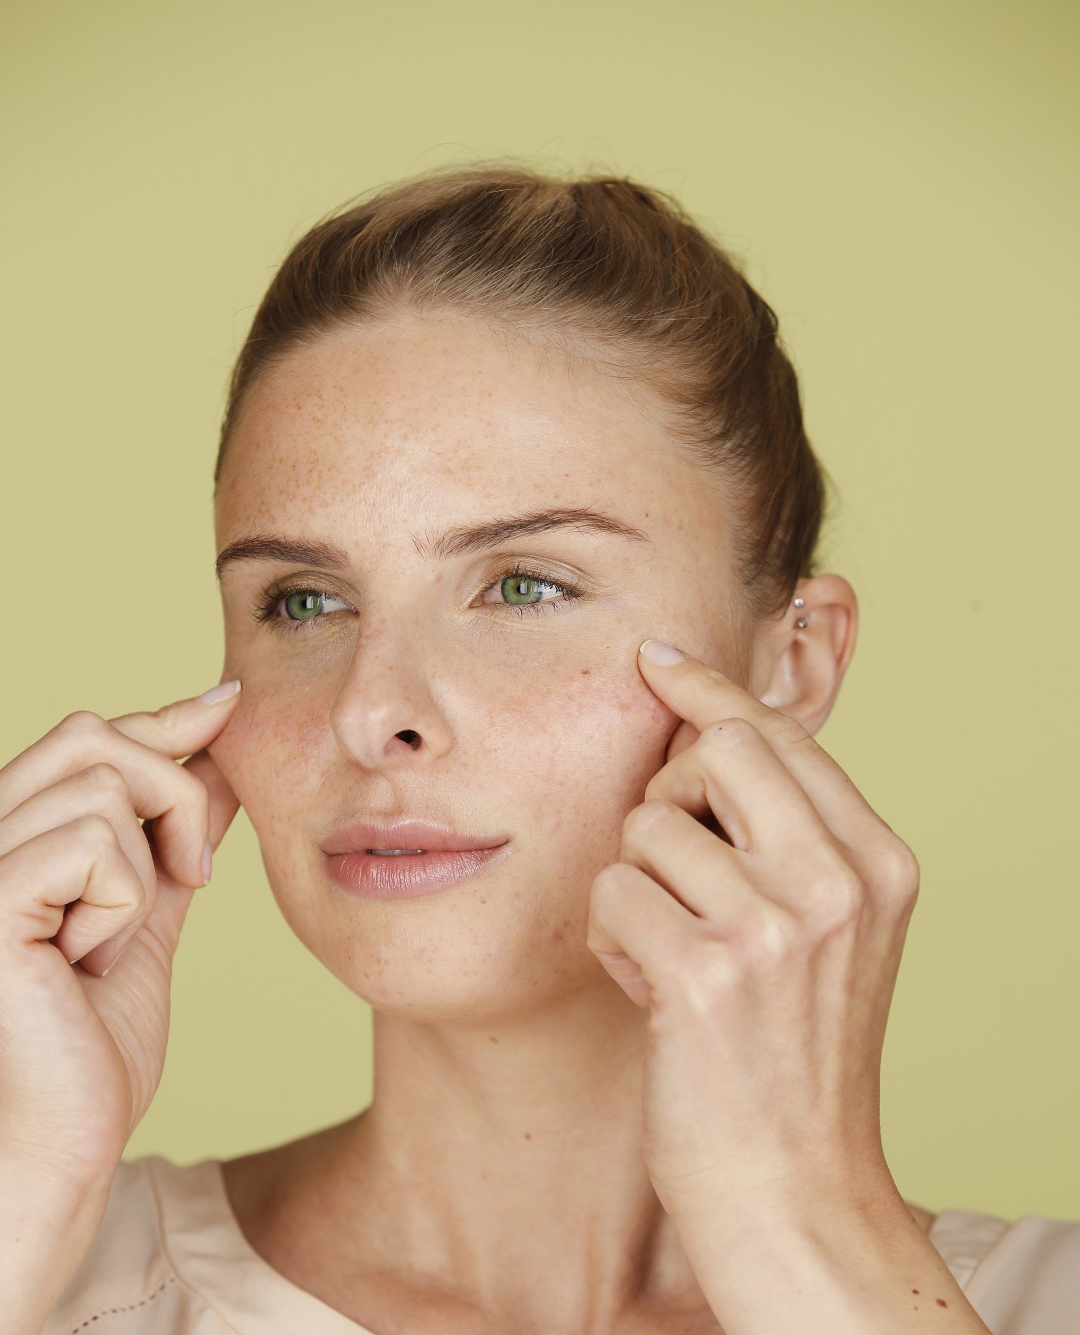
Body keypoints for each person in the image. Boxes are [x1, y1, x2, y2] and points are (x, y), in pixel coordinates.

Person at [3, 164, 1076, 1335]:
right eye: (304, 601)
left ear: (793, 659)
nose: (374, 709)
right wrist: (24, 1170)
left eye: (522, 585)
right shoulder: (52, 1270)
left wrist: (802, 1223)